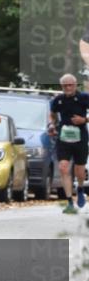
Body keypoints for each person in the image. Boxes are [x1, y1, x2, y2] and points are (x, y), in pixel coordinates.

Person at [49, 73, 89, 214]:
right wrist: (51, 124)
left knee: (79, 170)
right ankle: (69, 202)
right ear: (61, 86)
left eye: (70, 85)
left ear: (75, 85)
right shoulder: (58, 100)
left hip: (80, 138)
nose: (67, 88)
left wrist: (84, 120)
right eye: (64, 85)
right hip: (64, 138)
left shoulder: (84, 97)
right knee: (63, 167)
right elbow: (52, 114)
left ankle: (80, 188)